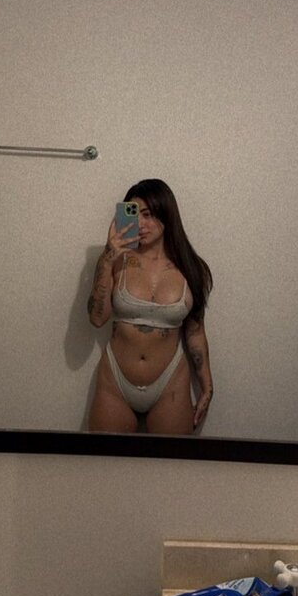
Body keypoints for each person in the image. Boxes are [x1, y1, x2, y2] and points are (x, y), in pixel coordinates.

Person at [87, 179, 213, 434]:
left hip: (170, 383)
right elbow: (97, 318)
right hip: (116, 382)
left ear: (166, 214)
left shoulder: (191, 267)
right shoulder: (117, 260)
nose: (140, 224)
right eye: (134, 214)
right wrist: (108, 257)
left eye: (147, 215)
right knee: (104, 458)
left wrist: (207, 386)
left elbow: (195, 331)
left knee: (170, 459)